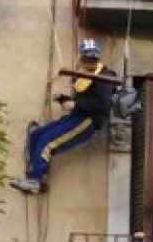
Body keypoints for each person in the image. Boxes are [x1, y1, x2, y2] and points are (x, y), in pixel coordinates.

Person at [11, 39, 115, 194]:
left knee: (47, 141)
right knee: (37, 134)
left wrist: (75, 104)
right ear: (81, 58)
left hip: (88, 121)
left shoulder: (105, 76)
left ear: (98, 58)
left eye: (93, 58)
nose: (90, 61)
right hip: (75, 117)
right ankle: (38, 174)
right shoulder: (82, 76)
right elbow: (81, 100)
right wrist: (63, 99)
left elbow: (103, 104)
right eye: (87, 58)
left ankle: (34, 179)